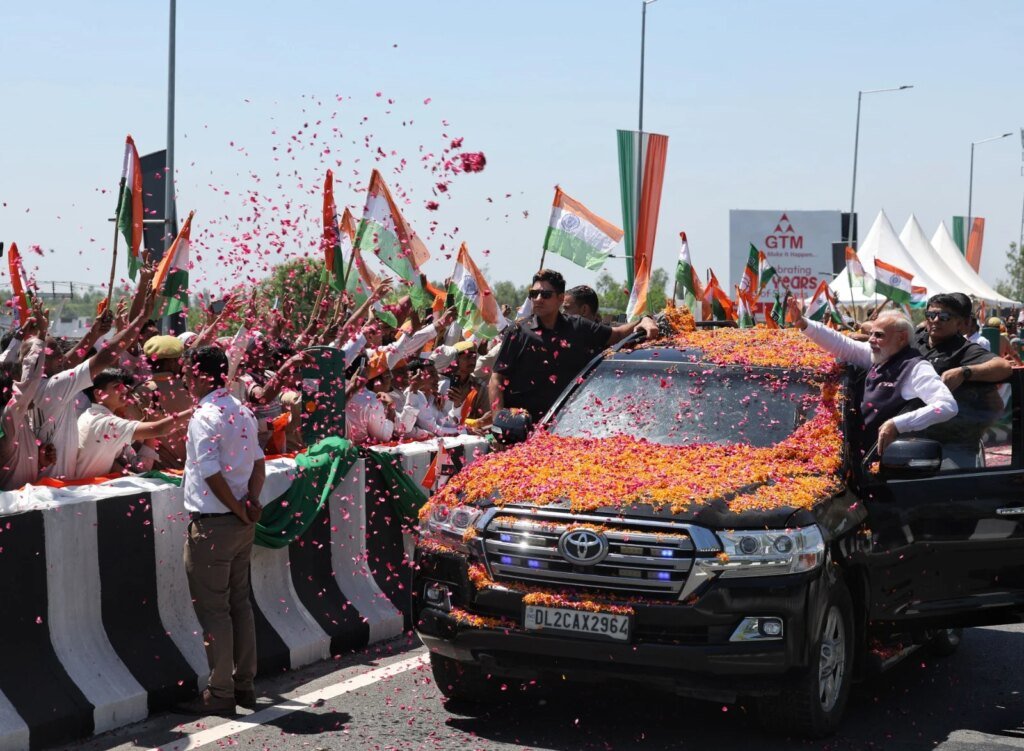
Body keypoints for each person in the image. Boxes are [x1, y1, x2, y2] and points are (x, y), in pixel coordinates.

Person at [178, 345, 265, 715]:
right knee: (239, 604)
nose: (185, 379)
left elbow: (210, 473)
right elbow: (259, 464)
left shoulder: (205, 415)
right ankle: (244, 685)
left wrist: (238, 507)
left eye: (187, 373)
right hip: (241, 524)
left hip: (213, 524)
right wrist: (250, 504)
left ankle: (220, 692)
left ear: (199, 374)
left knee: (215, 610)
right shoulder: (242, 410)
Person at [786, 296, 957, 455]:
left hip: (888, 463)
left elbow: (947, 406)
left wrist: (897, 424)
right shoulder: (880, 354)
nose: (870, 339)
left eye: (879, 335)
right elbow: (843, 345)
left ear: (902, 338)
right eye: (871, 334)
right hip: (857, 457)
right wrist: (804, 324)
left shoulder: (916, 368)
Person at [489, 269, 659, 423]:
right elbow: (496, 379)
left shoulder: (579, 327)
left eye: (546, 294)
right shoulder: (518, 331)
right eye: (534, 294)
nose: (538, 299)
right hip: (523, 429)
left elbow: (617, 335)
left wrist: (644, 319)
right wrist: (499, 421)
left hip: (570, 428)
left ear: (560, 298)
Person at [75, 368, 192, 479]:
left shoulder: (92, 415)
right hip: (88, 488)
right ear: (99, 394)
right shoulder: (104, 422)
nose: (125, 390)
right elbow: (159, 429)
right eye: (117, 386)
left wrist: (151, 422)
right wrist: (197, 409)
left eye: (124, 386)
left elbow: (141, 468)